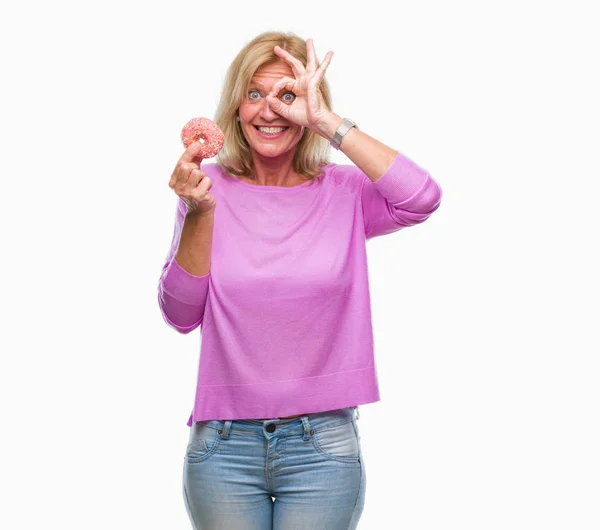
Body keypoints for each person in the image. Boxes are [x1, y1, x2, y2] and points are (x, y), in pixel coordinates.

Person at [158, 31, 442, 530]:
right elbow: (180, 316)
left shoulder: (345, 192)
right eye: (254, 94)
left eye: (287, 95)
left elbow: (421, 197)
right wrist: (199, 213)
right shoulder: (206, 189)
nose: (270, 111)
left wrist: (327, 123)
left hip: (323, 447)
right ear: (236, 107)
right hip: (222, 450)